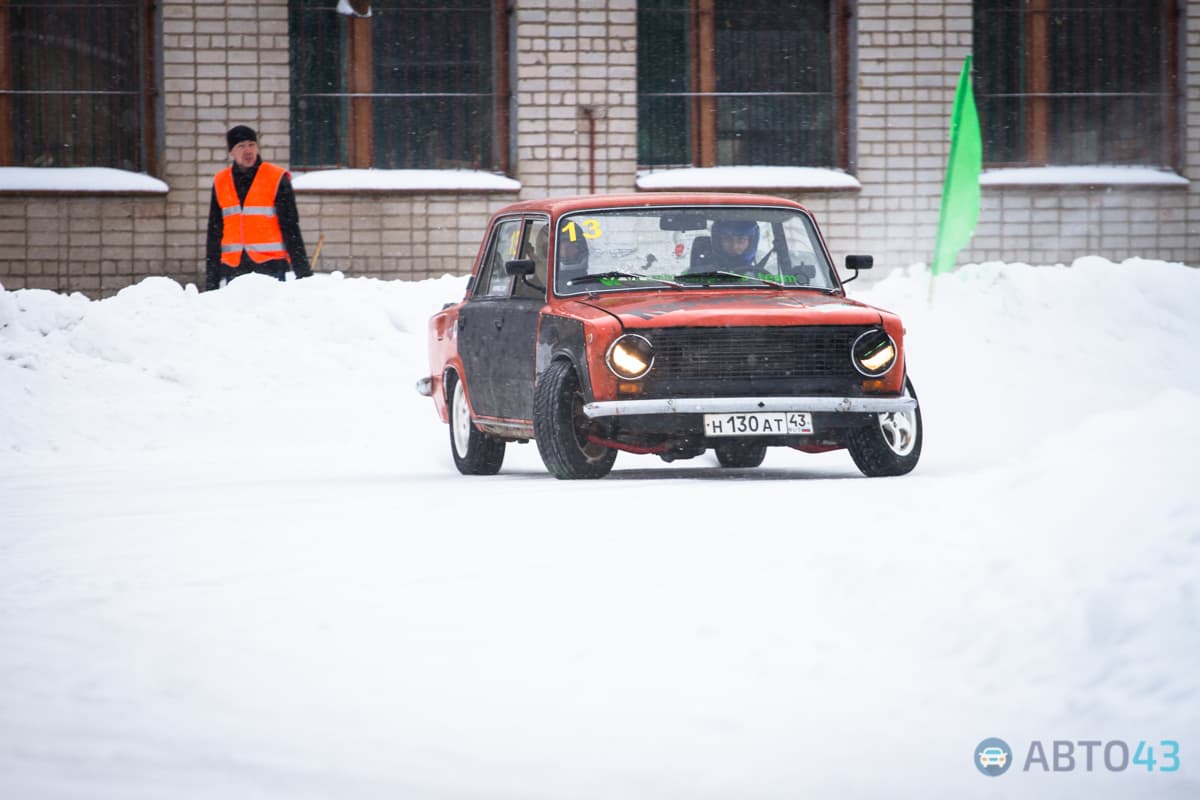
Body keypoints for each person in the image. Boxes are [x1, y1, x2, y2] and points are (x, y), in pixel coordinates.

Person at [205, 125, 311, 291]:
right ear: (231, 151)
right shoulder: (221, 181)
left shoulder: (276, 178)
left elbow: (291, 228)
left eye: (251, 145)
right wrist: (211, 282)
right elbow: (214, 232)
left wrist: (303, 274)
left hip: (271, 266)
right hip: (235, 266)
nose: (248, 150)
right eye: (241, 146)